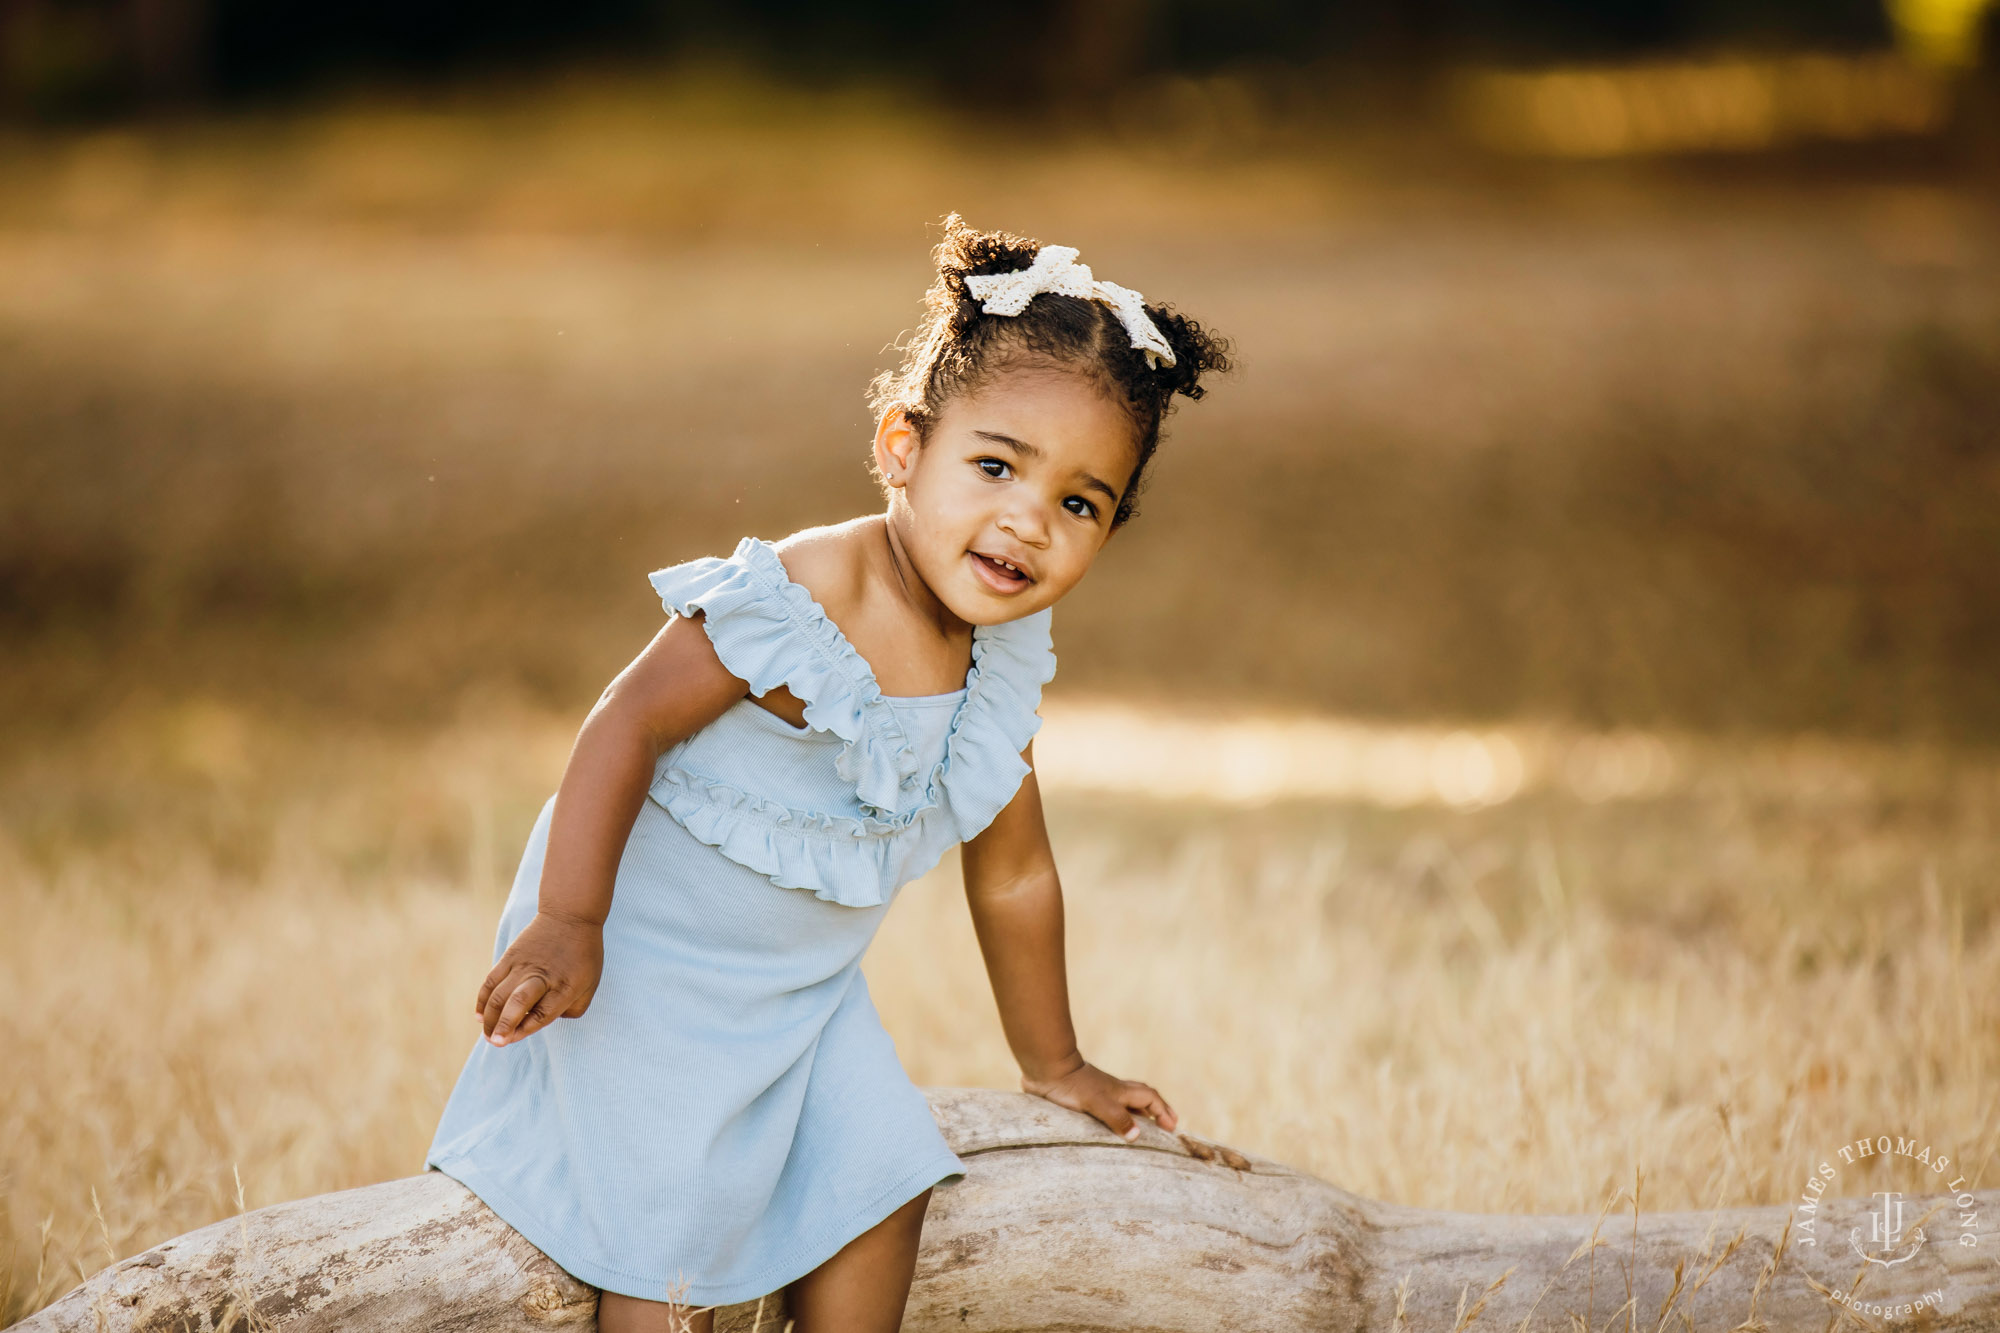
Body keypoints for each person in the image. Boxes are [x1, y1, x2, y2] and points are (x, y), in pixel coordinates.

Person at [425, 215, 1232, 1332]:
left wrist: (1058, 1062)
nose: (1025, 521)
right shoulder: (807, 594)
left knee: (880, 1179)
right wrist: (570, 918)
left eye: (1078, 503)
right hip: (645, 962)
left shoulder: (998, 664)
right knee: (663, 1224)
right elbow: (627, 724)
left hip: (799, 994)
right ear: (903, 446)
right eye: (994, 465)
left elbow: (1012, 874)